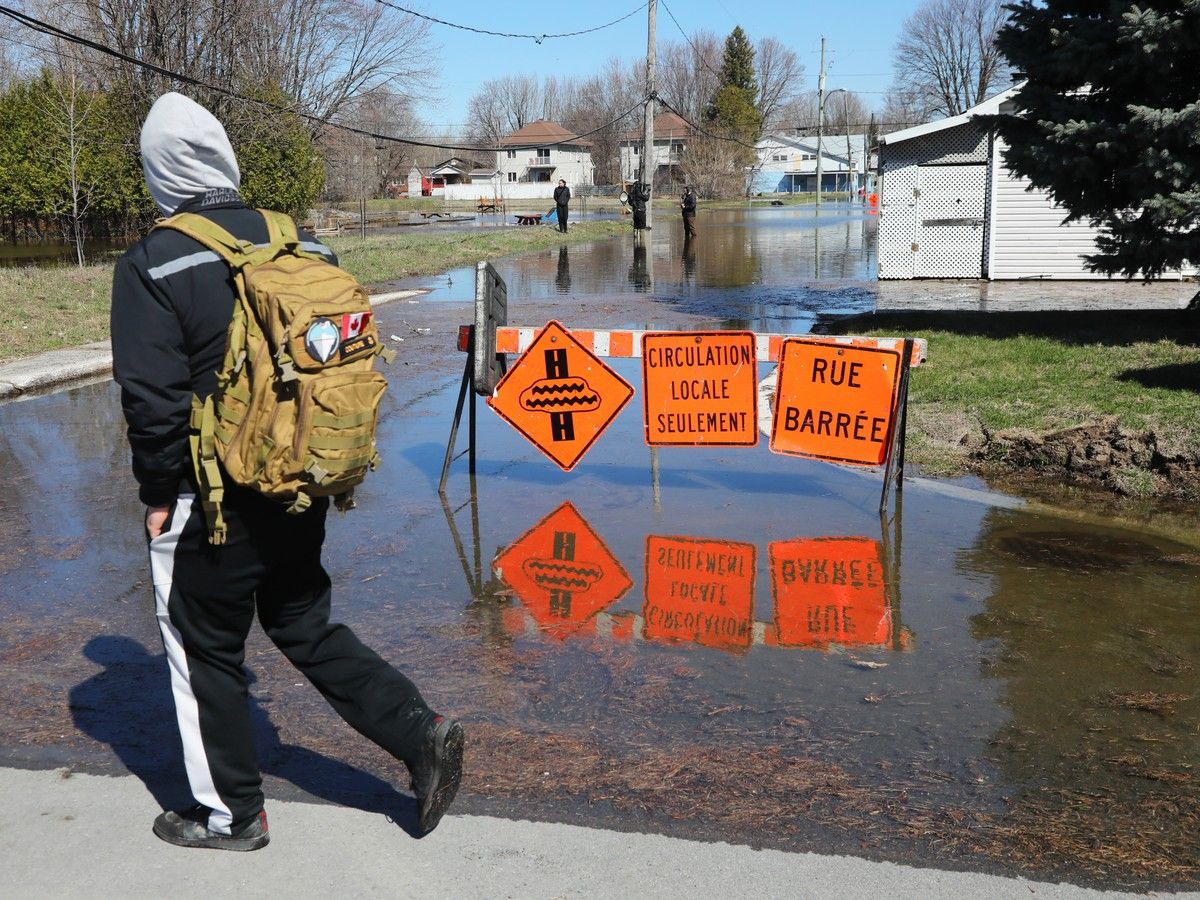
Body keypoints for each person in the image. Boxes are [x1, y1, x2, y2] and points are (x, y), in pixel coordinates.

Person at [110, 92, 464, 852]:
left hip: (212, 499)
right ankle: (419, 732)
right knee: (303, 621)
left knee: (202, 645)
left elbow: (152, 399)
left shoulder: (155, 261)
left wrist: (157, 494)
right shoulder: (300, 245)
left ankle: (229, 815)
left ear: (159, 172)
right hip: (302, 480)